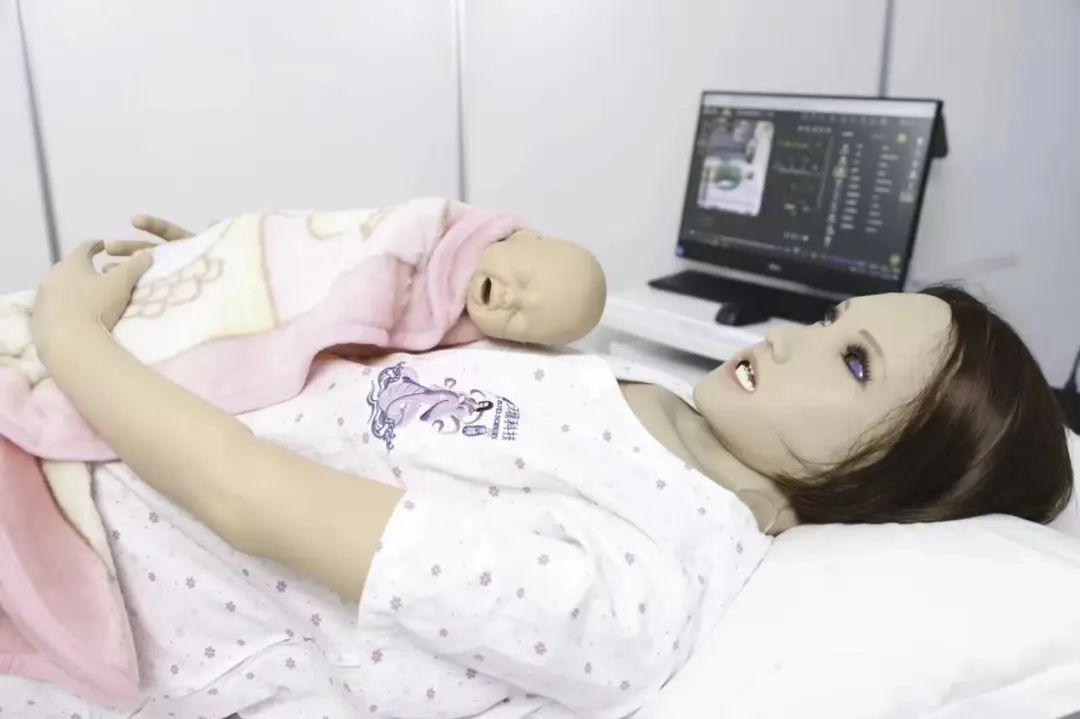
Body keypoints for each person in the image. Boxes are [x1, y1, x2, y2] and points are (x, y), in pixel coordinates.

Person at [22, 224, 1072, 717]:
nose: (794, 333)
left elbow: (246, 498)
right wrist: (246, 300)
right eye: (835, 317)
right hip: (130, 415)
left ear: (899, 489)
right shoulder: (660, 403)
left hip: (93, 541)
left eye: (854, 362)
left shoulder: (634, 584)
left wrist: (77, 340)